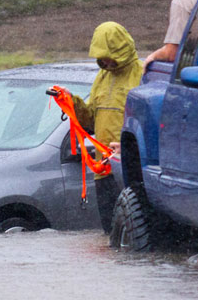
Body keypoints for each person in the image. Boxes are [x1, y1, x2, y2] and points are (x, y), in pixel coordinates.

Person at [58, 21, 143, 234]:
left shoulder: (143, 73)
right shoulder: (102, 77)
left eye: (109, 55)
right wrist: (72, 102)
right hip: (102, 169)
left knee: (134, 232)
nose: (105, 61)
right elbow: (90, 121)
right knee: (110, 232)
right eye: (101, 56)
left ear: (120, 49)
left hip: (130, 167)